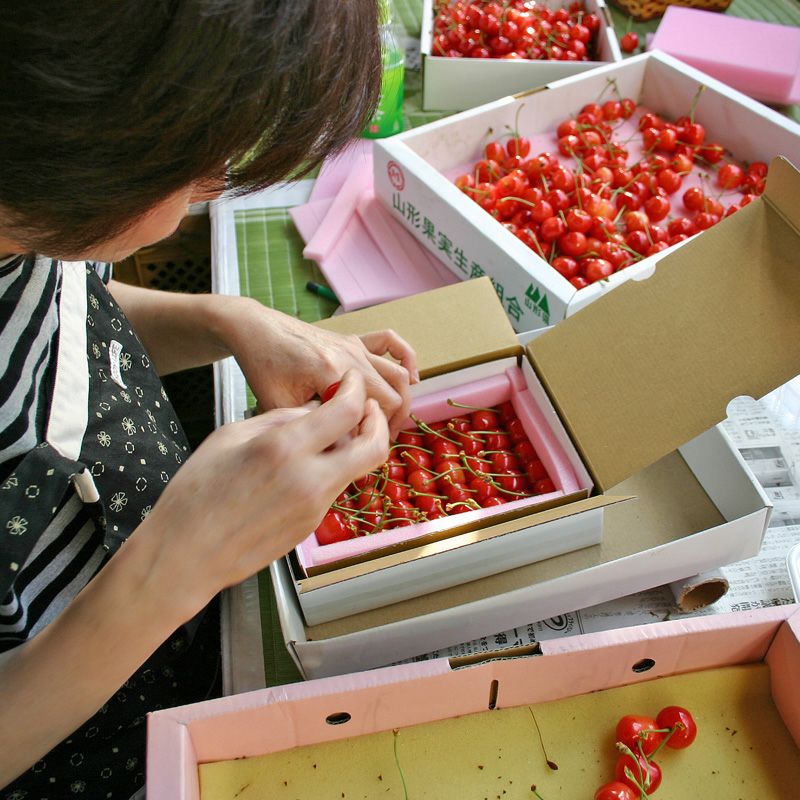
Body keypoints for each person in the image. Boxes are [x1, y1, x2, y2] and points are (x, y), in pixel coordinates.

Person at [0, 2, 418, 797]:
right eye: (193, 162)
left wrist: (227, 321)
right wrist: (172, 569)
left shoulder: (31, 213)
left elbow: (58, 317)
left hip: (170, 646)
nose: (217, 185)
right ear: (67, 138)